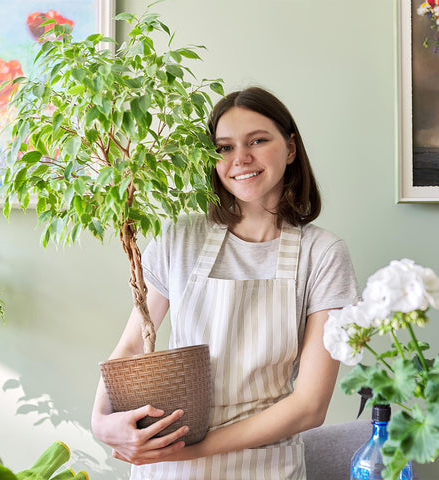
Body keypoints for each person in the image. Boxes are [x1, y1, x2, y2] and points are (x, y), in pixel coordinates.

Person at [91, 86, 359, 479]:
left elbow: (309, 406)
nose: (241, 159)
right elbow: (132, 347)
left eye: (257, 141)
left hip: (262, 467)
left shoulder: (323, 253)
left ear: (290, 148)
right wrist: (101, 423)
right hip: (167, 467)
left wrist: (189, 451)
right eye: (224, 147)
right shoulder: (179, 238)